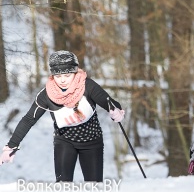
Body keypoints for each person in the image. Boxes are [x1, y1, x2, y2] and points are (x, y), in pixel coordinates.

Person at [0, 50, 125, 182]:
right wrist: (11, 146)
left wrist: (116, 112)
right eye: (58, 76)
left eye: (67, 75)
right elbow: (28, 119)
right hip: (65, 141)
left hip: (91, 141)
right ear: (52, 75)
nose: (63, 80)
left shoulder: (87, 85)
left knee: (94, 187)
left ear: (75, 72)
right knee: (63, 186)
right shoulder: (47, 94)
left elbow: (109, 102)